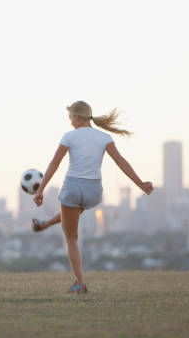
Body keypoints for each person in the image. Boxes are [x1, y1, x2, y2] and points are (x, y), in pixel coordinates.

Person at [32, 101, 154, 294]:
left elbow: (54, 164)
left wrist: (40, 191)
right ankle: (44, 224)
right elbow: (121, 162)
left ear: (78, 117)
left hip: (73, 187)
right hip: (94, 192)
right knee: (74, 212)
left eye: (71, 117)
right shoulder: (104, 137)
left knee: (71, 238)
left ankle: (80, 284)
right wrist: (141, 184)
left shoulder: (69, 136)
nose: (70, 121)